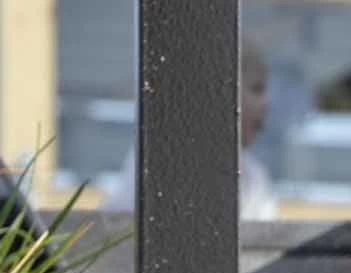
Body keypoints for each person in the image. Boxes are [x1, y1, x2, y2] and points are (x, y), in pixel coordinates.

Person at [100, 44, 277, 218]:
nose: (267, 102)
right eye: (257, 89)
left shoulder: (255, 177)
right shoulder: (160, 157)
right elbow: (122, 228)